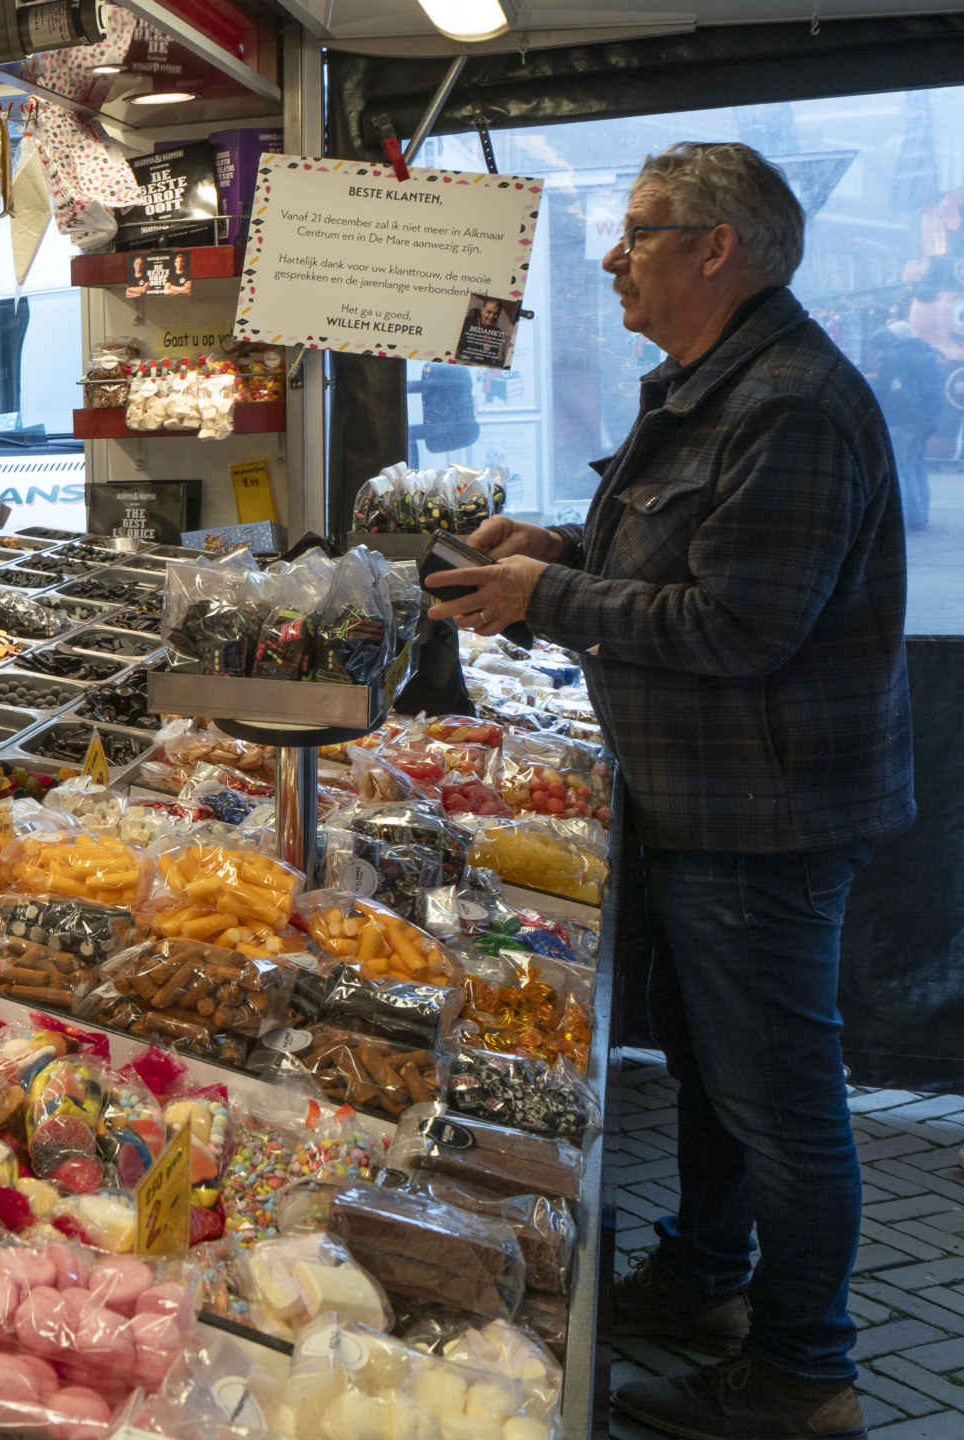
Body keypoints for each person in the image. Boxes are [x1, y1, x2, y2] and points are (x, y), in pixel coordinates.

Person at [427, 141, 912, 1440]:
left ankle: (808, 1375)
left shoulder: (790, 405)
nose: (611, 256)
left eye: (639, 230)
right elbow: (676, 555)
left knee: (782, 1102)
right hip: (709, 802)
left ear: (721, 247)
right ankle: (705, 1282)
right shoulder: (718, 385)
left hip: (766, 817)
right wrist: (558, 545)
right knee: (715, 1074)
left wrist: (550, 594)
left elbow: (743, 624)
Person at [866, 295, 940, 531]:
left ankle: (906, 518)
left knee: (902, 469)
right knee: (917, 465)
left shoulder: (894, 357)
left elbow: (886, 390)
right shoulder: (927, 354)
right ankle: (920, 514)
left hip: (902, 420)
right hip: (924, 420)